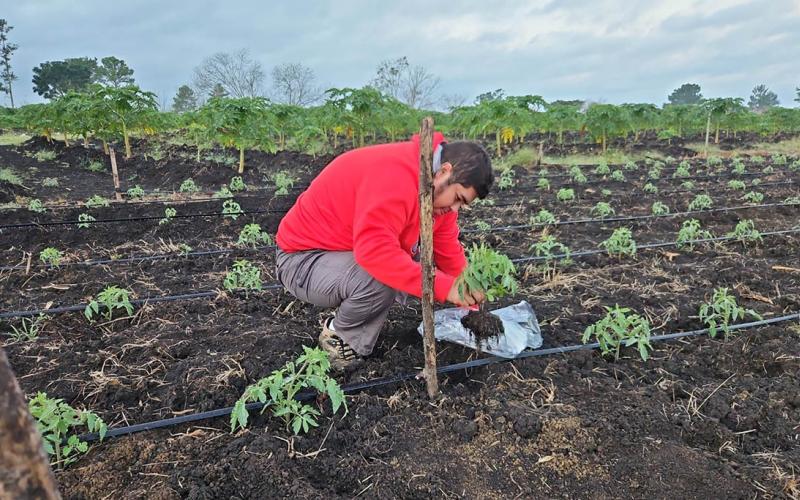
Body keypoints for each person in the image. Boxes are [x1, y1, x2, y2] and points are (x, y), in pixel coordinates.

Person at [275, 132, 494, 370]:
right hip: (302, 260)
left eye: (462, 204)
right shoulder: (395, 175)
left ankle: (359, 321)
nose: (454, 208)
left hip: (342, 252)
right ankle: (339, 340)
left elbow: (446, 247)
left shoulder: (432, 190)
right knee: (380, 274)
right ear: (444, 172)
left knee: (408, 265)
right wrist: (444, 287)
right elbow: (375, 253)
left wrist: (469, 300)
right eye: (458, 198)